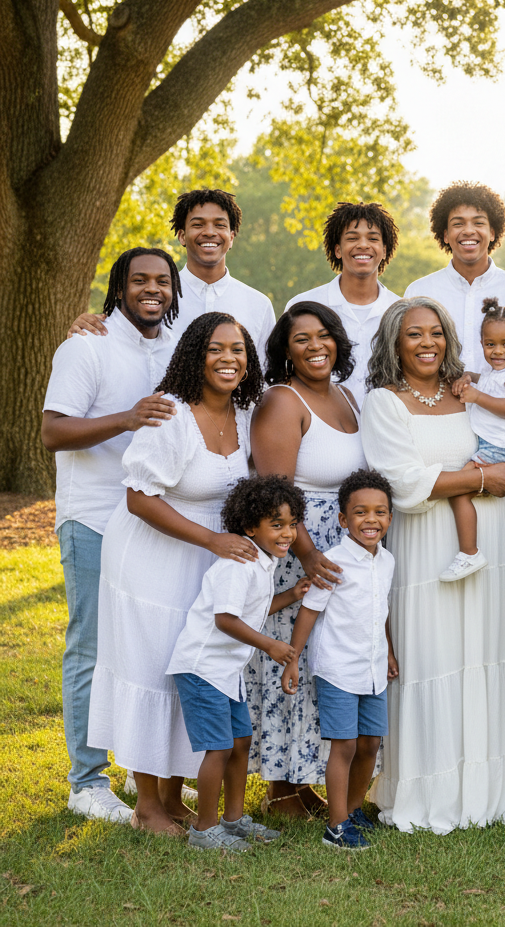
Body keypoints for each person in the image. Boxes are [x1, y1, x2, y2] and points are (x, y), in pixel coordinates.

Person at [360, 296, 505, 833]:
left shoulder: (469, 392)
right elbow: (401, 481)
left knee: (488, 652)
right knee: (431, 658)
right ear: (394, 342)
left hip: (491, 542)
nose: (428, 343)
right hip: (424, 544)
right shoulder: (384, 402)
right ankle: (430, 788)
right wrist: (484, 480)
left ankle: (493, 791)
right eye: (414, 334)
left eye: (436, 332)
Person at [88, 311, 264, 835]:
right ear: (195, 355)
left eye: (238, 349)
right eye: (216, 349)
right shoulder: (172, 416)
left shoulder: (245, 413)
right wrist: (212, 539)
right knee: (151, 668)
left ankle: (173, 795)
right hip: (152, 556)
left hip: (206, 560)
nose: (229, 359)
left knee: (188, 667)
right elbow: (140, 498)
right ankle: (146, 804)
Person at [41, 247, 180, 824]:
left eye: (162, 281)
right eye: (140, 280)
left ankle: (138, 767)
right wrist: (126, 418)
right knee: (92, 647)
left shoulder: (174, 349)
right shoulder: (85, 346)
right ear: (118, 287)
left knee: (146, 646)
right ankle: (86, 780)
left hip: (151, 520)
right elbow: (53, 432)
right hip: (95, 517)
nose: (153, 289)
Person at [247, 301, 366, 817]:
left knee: (324, 664)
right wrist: (310, 553)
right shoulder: (281, 400)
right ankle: (281, 790)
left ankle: (305, 781)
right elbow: (274, 495)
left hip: (340, 551)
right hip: (297, 551)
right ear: (284, 350)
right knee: (289, 660)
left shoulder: (345, 396)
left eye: (324, 335)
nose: (316, 346)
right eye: (301, 339)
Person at [167, 474, 309, 851]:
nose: (287, 533)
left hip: (226, 671)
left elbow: (255, 610)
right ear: (250, 526)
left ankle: (232, 820)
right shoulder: (238, 564)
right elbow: (225, 620)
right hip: (202, 668)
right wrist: (271, 646)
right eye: (276, 524)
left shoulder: (262, 563)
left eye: (292, 524)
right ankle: (204, 829)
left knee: (241, 740)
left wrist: (292, 593)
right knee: (220, 747)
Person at [282, 469, 399, 851]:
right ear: (343, 519)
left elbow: (379, 611)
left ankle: (351, 811)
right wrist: (293, 658)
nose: (371, 520)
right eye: (361, 512)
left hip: (373, 669)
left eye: (379, 512)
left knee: (370, 743)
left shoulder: (387, 562)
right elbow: (309, 613)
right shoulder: (332, 563)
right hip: (338, 669)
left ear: (389, 518)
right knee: (345, 746)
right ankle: (335, 827)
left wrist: (390, 652)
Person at [67, 189, 276, 364]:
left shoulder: (259, 305)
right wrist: (85, 325)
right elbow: (118, 338)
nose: (210, 232)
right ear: (182, 236)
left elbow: (268, 380)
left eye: (220, 225)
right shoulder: (155, 298)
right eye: (198, 224)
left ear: (231, 238)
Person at [444, 298, 505, 582]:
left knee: (460, 489)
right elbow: (481, 378)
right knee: (467, 490)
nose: (497, 351)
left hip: (503, 449)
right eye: (490, 344)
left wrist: (475, 396)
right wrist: (466, 377)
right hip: (494, 446)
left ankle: (469, 552)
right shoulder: (493, 371)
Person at [285, 201, 402, 404]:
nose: (363, 245)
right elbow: (285, 373)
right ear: (337, 250)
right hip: (320, 425)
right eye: (352, 238)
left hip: (387, 426)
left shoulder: (401, 311)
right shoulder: (303, 305)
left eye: (372, 238)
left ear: (384, 251)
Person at [404, 182, 505, 374]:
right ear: (445, 235)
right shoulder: (419, 292)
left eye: (478, 223)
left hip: (502, 402)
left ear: (492, 233)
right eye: (458, 223)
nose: (468, 230)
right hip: (437, 403)